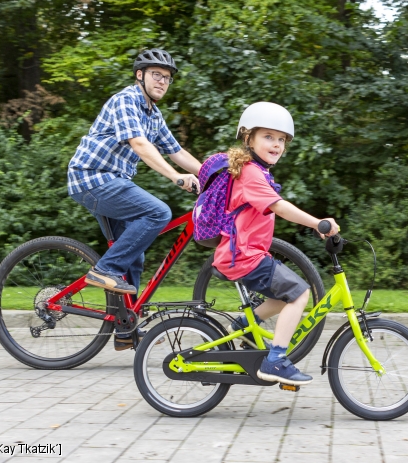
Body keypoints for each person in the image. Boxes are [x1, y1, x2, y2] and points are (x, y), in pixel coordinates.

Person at [68, 48, 202, 350]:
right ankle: (103, 271)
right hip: (92, 177)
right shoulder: (126, 100)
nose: (163, 82)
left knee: (134, 255)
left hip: (113, 182)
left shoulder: (154, 115)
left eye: (167, 78)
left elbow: (177, 152)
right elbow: (140, 145)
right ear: (140, 75)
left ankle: (125, 327)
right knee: (157, 213)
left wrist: (214, 173)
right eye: (157, 75)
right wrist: (175, 177)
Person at [213, 102, 340, 385]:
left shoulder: (256, 171)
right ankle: (276, 361)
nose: (276, 144)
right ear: (249, 139)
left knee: (284, 295)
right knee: (299, 293)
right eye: (268, 137)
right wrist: (318, 222)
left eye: (281, 139)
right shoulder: (251, 174)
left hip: (245, 254)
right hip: (244, 256)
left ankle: (244, 326)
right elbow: (280, 207)